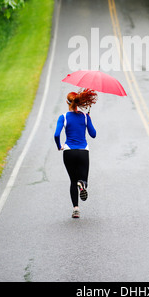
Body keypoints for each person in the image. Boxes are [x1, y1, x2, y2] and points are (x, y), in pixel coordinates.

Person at [54, 88, 97, 218]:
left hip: (68, 152)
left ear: (67, 102)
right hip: (83, 151)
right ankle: (82, 184)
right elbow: (93, 134)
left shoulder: (63, 117)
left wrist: (59, 146)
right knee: (83, 179)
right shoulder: (84, 117)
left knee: (72, 180)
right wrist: (89, 120)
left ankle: (76, 209)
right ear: (79, 102)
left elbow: (56, 134)